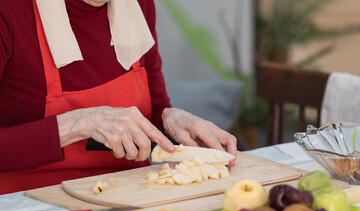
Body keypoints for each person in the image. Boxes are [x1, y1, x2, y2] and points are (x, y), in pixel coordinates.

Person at [0, 0, 237, 194]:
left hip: (128, 197)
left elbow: (154, 107)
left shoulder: (138, 5)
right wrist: (77, 124)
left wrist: (170, 118)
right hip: (29, 208)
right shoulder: (9, 10)